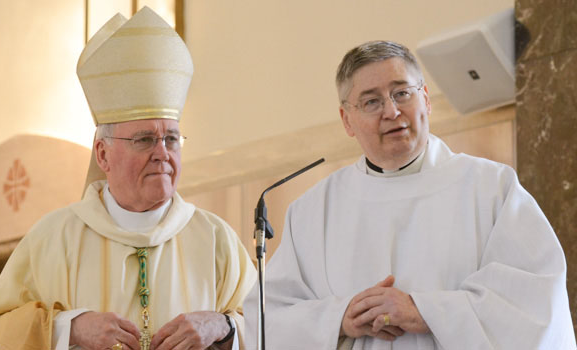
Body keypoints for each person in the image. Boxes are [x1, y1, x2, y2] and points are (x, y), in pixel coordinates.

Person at [243, 40, 576, 349]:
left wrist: (425, 311)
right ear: (347, 120)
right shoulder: (314, 211)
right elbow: (266, 320)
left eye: (402, 93)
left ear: (426, 99)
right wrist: (339, 319)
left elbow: (535, 304)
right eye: (371, 101)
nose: (391, 111)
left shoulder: (492, 189)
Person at [0, 7, 256, 350]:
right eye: (144, 139)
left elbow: (275, 327)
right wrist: (69, 328)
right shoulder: (53, 240)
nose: (162, 153)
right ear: (103, 154)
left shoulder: (216, 241)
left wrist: (223, 326)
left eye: (171, 138)